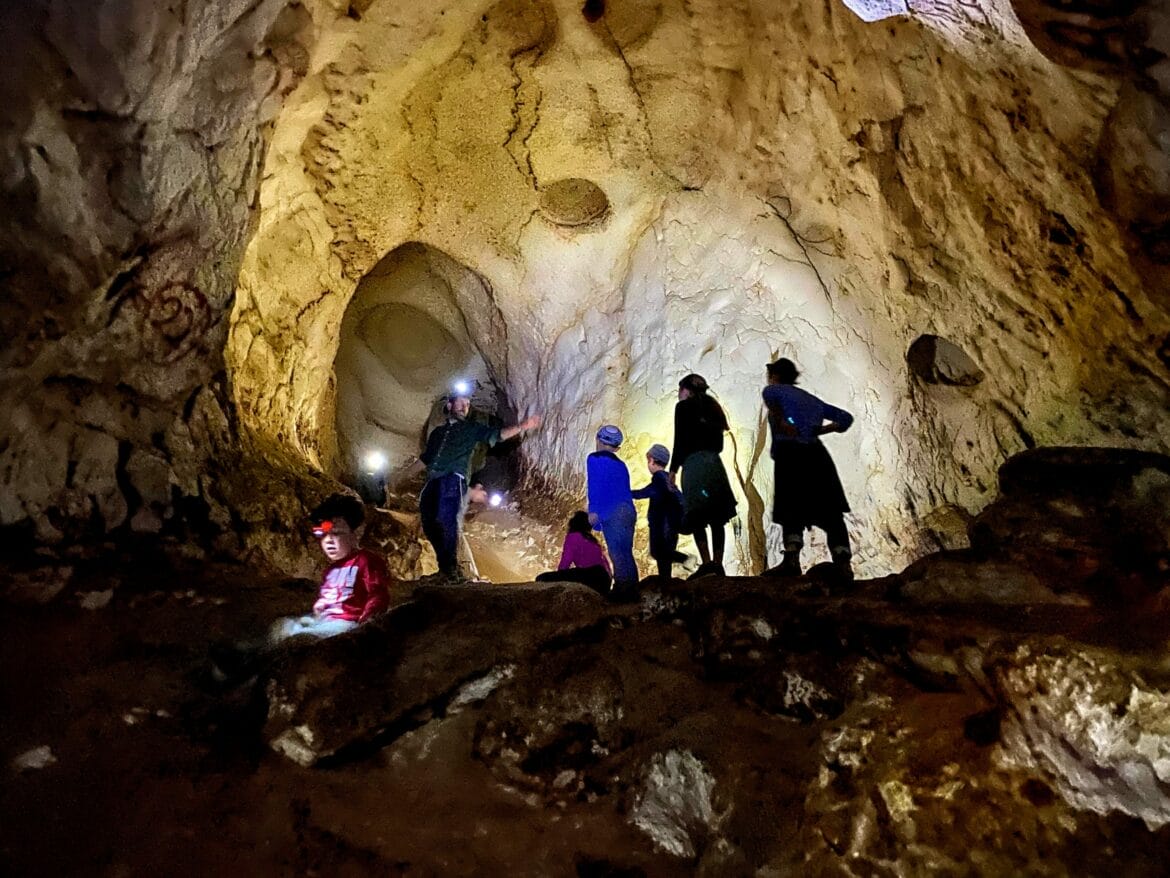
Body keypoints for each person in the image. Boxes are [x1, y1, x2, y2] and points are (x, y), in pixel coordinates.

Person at [399, 386, 541, 582]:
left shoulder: (471, 429)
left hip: (453, 479)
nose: (465, 407)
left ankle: (451, 569)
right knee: (429, 521)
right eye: (461, 403)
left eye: (467, 404)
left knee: (446, 520)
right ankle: (446, 567)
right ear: (450, 405)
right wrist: (400, 476)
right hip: (432, 480)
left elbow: (497, 435)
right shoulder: (438, 433)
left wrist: (523, 425)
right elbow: (425, 459)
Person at [762, 357, 854, 581]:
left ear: (775, 376)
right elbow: (845, 418)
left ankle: (791, 561)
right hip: (816, 454)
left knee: (791, 507)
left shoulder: (774, 391)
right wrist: (819, 430)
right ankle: (843, 563)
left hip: (790, 454)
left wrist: (783, 421)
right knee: (830, 510)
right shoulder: (812, 400)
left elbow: (770, 398)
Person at [269, 493, 392, 642]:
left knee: (304, 638)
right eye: (323, 535)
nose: (328, 541)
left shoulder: (366, 561)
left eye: (336, 533)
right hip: (325, 622)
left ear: (355, 534)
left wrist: (365, 625)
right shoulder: (330, 571)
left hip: (347, 624)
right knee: (281, 627)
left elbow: (377, 595)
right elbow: (327, 600)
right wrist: (320, 606)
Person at [670, 374, 737, 578]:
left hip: (694, 466)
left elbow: (679, 441)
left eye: (680, 389)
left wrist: (673, 470)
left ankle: (707, 563)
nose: (679, 394)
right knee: (717, 517)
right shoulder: (713, 407)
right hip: (714, 465)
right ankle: (718, 563)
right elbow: (720, 445)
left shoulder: (682, 408)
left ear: (687, 390)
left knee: (697, 516)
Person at [587, 425, 639, 601]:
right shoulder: (621, 464)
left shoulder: (594, 458)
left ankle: (622, 591)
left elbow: (596, 486)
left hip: (612, 510)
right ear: (617, 448)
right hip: (628, 511)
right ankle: (630, 589)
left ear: (597, 440)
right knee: (625, 552)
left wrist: (595, 512)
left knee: (616, 552)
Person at [632, 443, 685, 582]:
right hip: (671, 525)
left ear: (651, 460)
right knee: (663, 557)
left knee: (659, 553)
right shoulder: (669, 479)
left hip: (661, 525)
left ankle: (686, 560)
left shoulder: (659, 478)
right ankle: (666, 580)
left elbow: (646, 492)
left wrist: (626, 493)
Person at [535, 511, 613, 594]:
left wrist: (559, 577)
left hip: (591, 577)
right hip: (605, 581)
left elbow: (565, 563)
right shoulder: (593, 540)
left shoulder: (573, 537)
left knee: (542, 578)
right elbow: (606, 564)